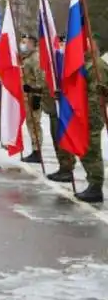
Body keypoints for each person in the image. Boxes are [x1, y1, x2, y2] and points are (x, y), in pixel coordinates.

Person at [46, 39, 108, 202]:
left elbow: (95, 97)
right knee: (85, 149)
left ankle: (96, 186)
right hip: (82, 114)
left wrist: (85, 114)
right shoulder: (83, 65)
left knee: (91, 151)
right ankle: (92, 183)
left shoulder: (96, 66)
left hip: (91, 116)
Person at [20, 34, 43, 163]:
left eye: (28, 43)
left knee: (34, 123)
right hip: (27, 95)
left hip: (33, 95)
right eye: (24, 42)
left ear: (34, 44)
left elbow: (40, 77)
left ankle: (37, 150)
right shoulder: (27, 57)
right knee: (30, 122)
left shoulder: (36, 58)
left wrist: (37, 96)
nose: (25, 45)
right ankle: (35, 148)